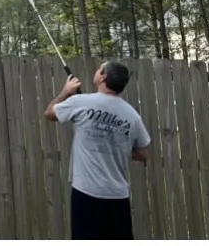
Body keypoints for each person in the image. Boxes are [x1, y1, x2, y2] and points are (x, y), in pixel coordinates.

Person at [44, 61, 151, 239]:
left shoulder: (80, 102)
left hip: (86, 194)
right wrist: (117, 144)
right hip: (118, 196)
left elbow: (49, 113)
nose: (97, 71)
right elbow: (144, 153)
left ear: (103, 77)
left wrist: (66, 92)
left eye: (99, 69)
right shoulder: (132, 115)